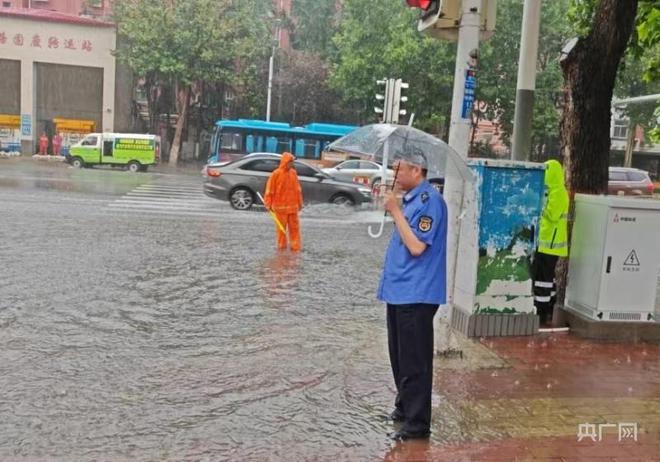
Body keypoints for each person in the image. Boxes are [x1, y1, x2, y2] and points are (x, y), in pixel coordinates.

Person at [378, 151, 448, 441]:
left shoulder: (429, 201)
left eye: (399, 168)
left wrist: (395, 211)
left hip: (416, 294)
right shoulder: (409, 200)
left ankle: (418, 423)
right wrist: (394, 206)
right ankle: (405, 408)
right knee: (399, 355)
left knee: (414, 359)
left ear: (417, 170)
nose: (395, 173)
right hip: (398, 290)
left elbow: (417, 247)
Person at [533, 159, 569, 328]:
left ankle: (541, 312)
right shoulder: (550, 191)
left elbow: (551, 215)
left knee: (543, 279)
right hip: (545, 243)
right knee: (546, 278)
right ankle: (547, 306)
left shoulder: (559, 192)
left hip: (551, 245)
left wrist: (537, 207)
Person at [263, 152, 303, 251]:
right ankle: (282, 247)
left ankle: (295, 247)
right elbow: (270, 190)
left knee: (295, 229)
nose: (292, 164)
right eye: (290, 162)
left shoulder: (293, 173)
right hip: (280, 208)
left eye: (292, 162)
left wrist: (300, 202)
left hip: (293, 208)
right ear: (285, 162)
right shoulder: (276, 174)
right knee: (281, 230)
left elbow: (298, 189)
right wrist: (268, 204)